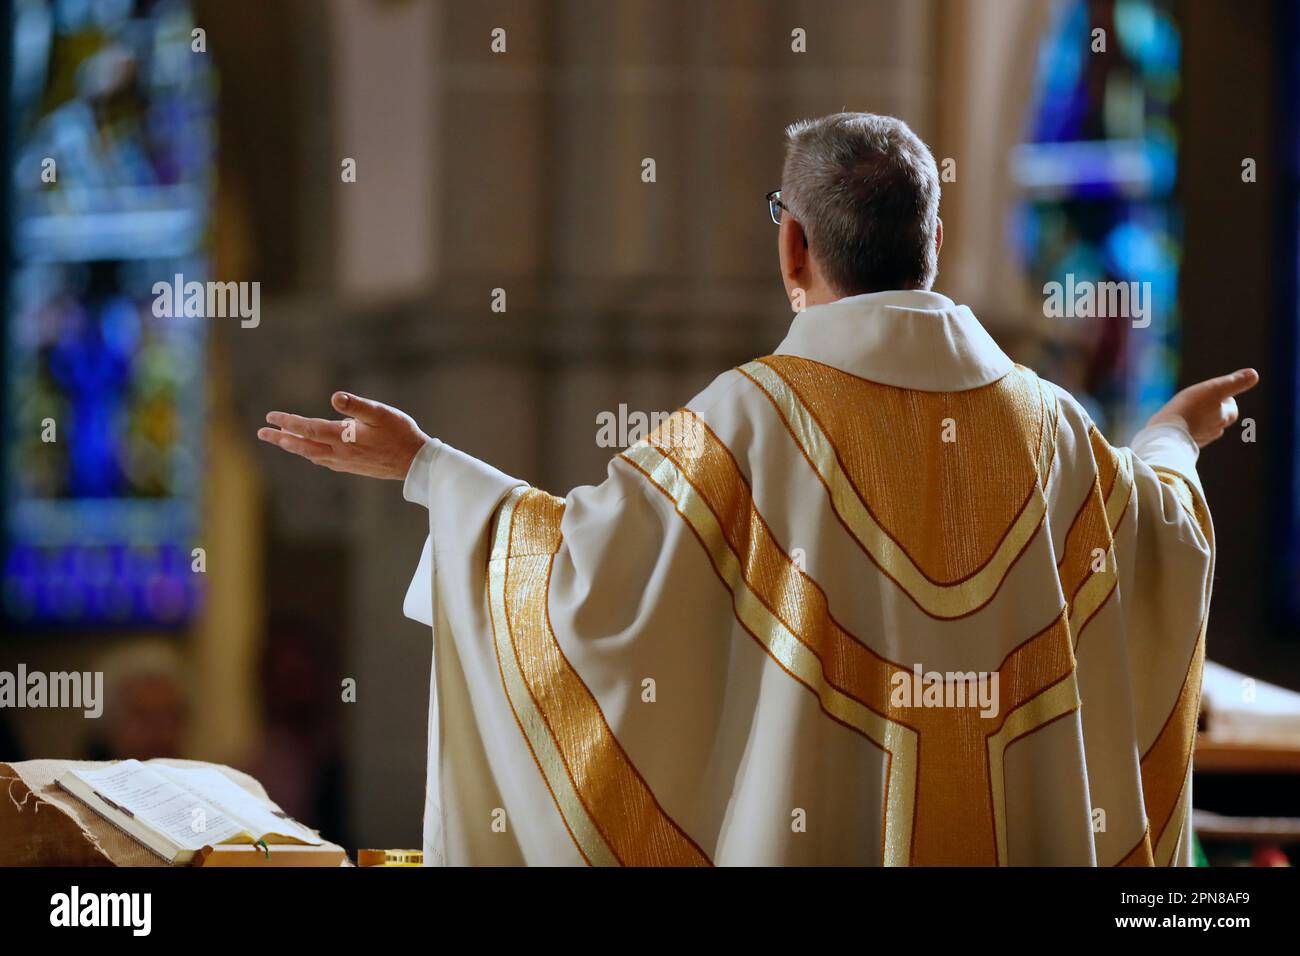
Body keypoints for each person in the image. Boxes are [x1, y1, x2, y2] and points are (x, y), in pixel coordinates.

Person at [258, 112, 1257, 866]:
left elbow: (578, 581)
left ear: (794, 246)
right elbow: (1159, 530)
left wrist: (426, 466)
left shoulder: (747, 423)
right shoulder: (1056, 432)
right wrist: (1172, 434)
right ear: (934, 243)